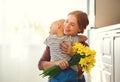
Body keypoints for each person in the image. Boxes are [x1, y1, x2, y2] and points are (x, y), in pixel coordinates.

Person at [38, 10, 89, 82]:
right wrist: (56, 63)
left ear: (80, 29)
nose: (67, 26)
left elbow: (81, 70)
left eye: (72, 24)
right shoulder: (55, 41)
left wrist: (73, 54)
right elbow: (41, 65)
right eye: (66, 21)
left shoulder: (84, 46)